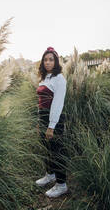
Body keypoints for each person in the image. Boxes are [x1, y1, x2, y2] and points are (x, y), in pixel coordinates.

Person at [35, 46, 68, 198]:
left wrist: (51, 126)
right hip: (43, 119)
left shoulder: (59, 79)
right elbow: (40, 101)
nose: (48, 62)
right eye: (45, 59)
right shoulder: (44, 78)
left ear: (56, 62)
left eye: (51, 59)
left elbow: (58, 104)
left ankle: (61, 184)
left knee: (56, 151)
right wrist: (38, 121)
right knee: (47, 149)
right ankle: (50, 175)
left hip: (54, 120)